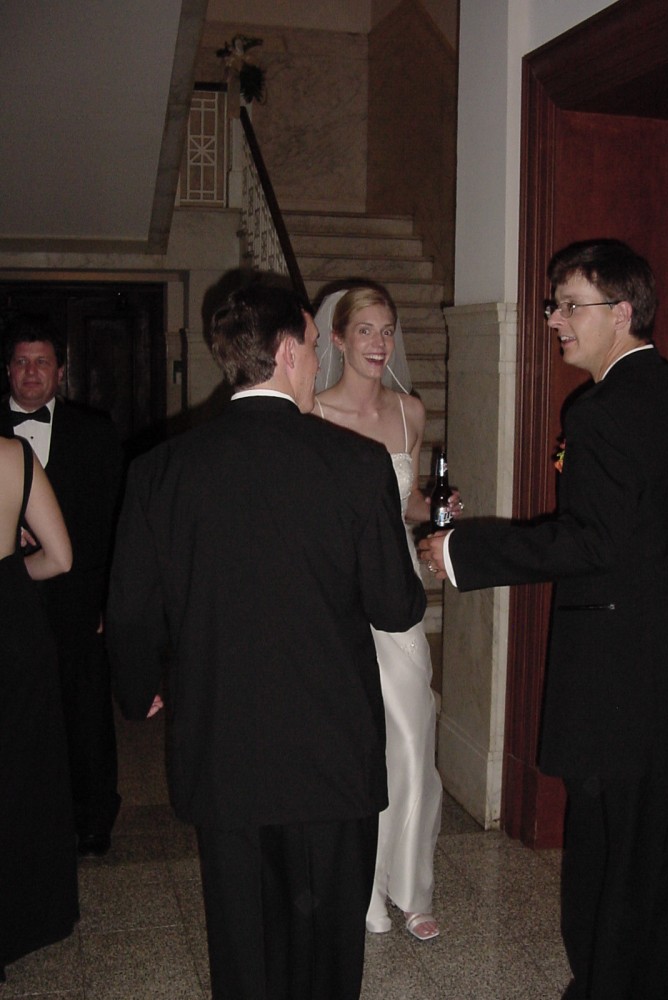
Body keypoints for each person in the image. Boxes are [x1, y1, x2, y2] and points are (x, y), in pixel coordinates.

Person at [419, 239, 668, 1000]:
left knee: (614, 868)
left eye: (571, 306)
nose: (554, 321)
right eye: (553, 305)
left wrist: (463, 550)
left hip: (628, 689)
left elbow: (591, 543)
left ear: (622, 312)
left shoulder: (600, 413)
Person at [106, 279, 427, 1000]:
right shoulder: (356, 464)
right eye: (313, 346)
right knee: (327, 948)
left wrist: (138, 689)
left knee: (243, 939)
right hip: (330, 748)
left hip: (225, 746)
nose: (316, 361)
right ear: (286, 352)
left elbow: (129, 612)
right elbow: (394, 607)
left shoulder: (161, 470)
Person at [314, 284, 459, 941]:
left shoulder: (409, 412)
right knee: (353, 743)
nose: (379, 343)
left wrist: (437, 510)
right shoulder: (311, 411)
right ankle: (362, 887)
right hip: (330, 596)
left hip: (394, 591)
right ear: (337, 339)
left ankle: (413, 887)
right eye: (365, 330)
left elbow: (404, 503)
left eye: (387, 330)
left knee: (411, 734)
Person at [1, 316, 123, 857]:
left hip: (78, 599)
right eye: (22, 362)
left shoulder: (94, 432)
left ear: (60, 372)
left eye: (42, 362)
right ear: (8, 369)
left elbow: (114, 520)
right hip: (9, 598)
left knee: (86, 713)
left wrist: (109, 602)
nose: (31, 372)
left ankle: (93, 818)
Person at [0, 434, 78, 980]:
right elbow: (61, 558)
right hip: (13, 631)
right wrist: (12, 572)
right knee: (17, 774)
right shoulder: (13, 456)